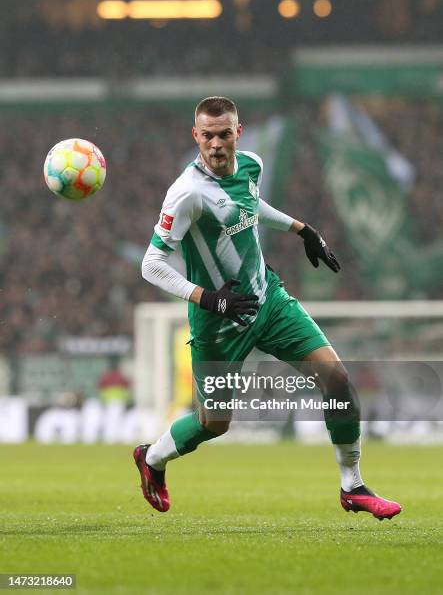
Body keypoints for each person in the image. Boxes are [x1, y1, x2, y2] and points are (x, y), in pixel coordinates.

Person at [133, 96, 401, 520]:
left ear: (238, 133)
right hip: (219, 321)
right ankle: (152, 459)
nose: (217, 144)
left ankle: (353, 485)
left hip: (268, 301)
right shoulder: (185, 194)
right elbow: (151, 264)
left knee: (337, 379)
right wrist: (210, 298)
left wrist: (301, 229)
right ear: (196, 136)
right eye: (208, 136)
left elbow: (249, 207)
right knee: (214, 422)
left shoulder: (252, 165)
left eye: (225, 134)